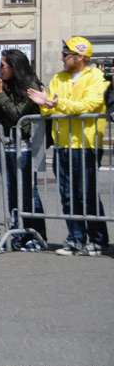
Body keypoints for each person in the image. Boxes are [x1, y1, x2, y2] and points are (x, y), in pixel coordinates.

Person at [28, 37, 109, 256]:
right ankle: (76, 239)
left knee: (86, 194)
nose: (62, 58)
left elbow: (89, 105)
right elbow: (46, 108)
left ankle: (99, 241)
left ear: (80, 56)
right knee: (67, 194)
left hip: (86, 144)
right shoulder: (59, 77)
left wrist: (57, 105)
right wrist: (49, 105)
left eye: (66, 54)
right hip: (62, 144)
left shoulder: (97, 77)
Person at [0, 49, 46, 252]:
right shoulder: (6, 85)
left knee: (28, 193)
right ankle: (17, 234)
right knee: (11, 192)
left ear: (14, 66)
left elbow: (16, 112)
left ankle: (36, 235)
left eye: (3, 65)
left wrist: (0, 94)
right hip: (7, 145)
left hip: (26, 146)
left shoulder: (31, 85)